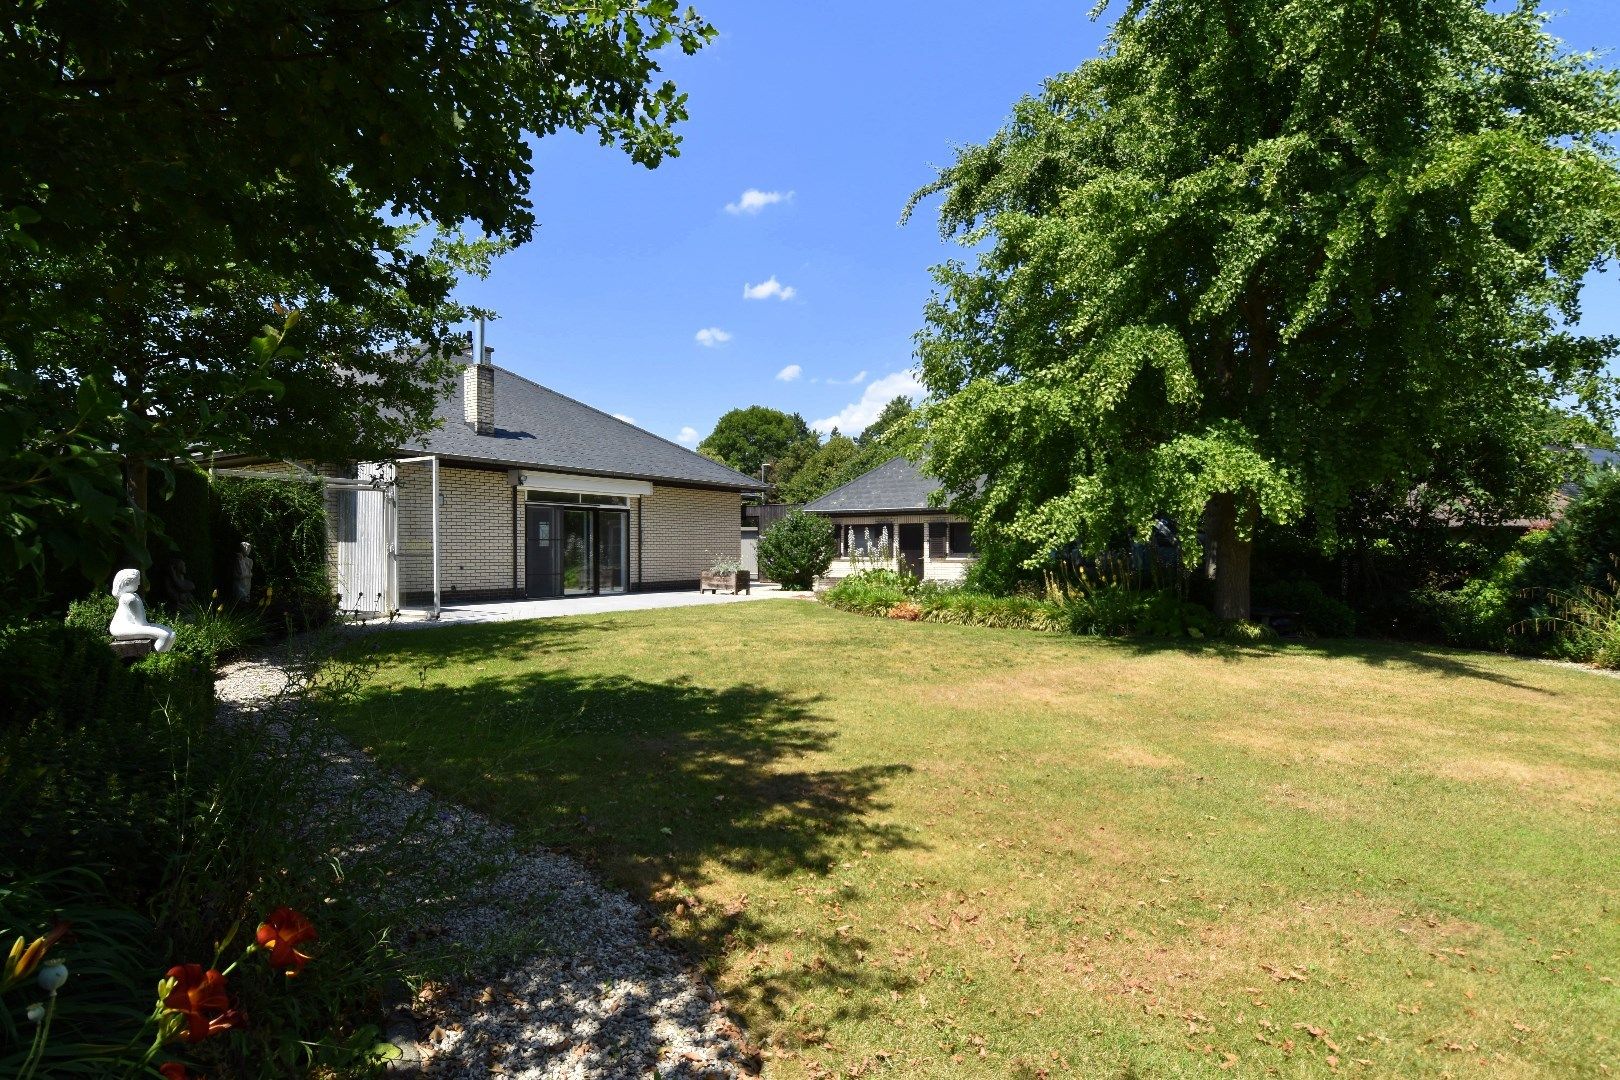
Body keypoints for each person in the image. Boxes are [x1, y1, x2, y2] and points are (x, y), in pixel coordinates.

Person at [109, 568, 176, 653]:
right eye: (136, 580)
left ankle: (162, 657)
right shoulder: (129, 598)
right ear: (127, 583)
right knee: (165, 636)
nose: (139, 583)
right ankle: (155, 660)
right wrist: (152, 628)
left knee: (172, 634)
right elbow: (141, 623)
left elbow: (142, 622)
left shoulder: (133, 595)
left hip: (132, 626)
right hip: (123, 629)